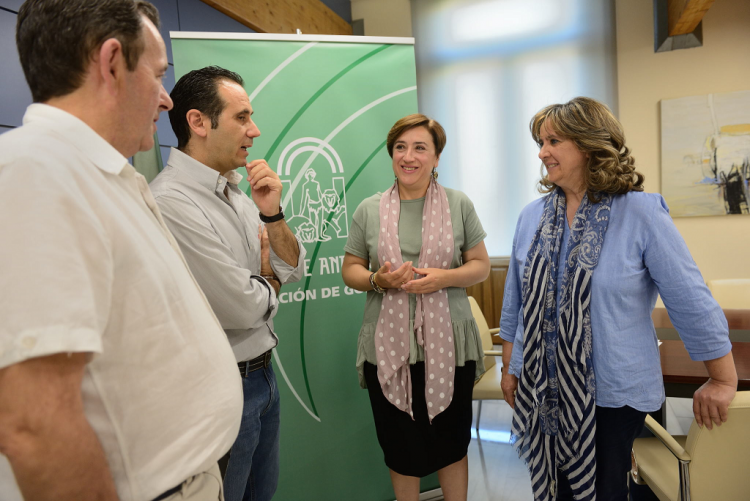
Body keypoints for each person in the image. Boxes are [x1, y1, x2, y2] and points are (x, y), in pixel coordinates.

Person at [0, 2, 243, 500]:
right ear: (111, 63)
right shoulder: (34, 173)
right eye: (157, 76)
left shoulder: (102, 175)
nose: (166, 100)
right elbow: (32, 424)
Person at [499, 97, 738, 501]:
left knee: (603, 490)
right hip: (543, 383)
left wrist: (721, 377)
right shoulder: (531, 217)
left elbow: (689, 298)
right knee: (558, 491)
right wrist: (512, 367)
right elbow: (516, 301)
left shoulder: (640, 212)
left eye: (553, 141)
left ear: (589, 145)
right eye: (540, 142)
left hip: (614, 391)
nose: (542, 153)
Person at [150, 65, 305, 501]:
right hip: (223, 384)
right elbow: (241, 307)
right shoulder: (172, 202)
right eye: (241, 117)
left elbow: (293, 266)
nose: (254, 130)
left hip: (263, 376)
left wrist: (273, 216)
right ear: (198, 122)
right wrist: (270, 277)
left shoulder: (238, 191)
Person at [341, 114, 491, 501]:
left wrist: (443, 278)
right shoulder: (368, 210)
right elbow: (350, 270)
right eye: (400, 147)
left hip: (449, 344)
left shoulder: (458, 204)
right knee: (400, 444)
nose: (408, 156)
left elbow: (480, 266)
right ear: (392, 153)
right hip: (388, 344)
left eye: (420, 147)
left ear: (437, 157)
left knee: (452, 441)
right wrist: (379, 281)